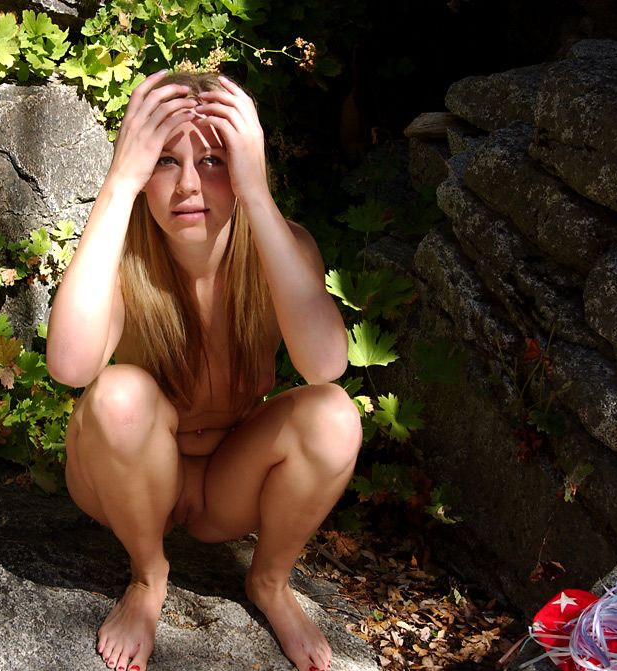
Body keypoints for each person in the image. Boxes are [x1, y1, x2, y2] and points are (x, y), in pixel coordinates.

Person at [46, 69, 362, 671]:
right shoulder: (120, 254)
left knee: (335, 416)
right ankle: (148, 576)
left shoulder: (280, 248)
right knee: (116, 396)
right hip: (133, 483)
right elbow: (70, 365)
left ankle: (269, 583)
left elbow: (325, 364)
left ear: (243, 166)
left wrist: (257, 194)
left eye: (214, 161)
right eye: (165, 161)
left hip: (228, 486)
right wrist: (119, 182)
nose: (189, 184)